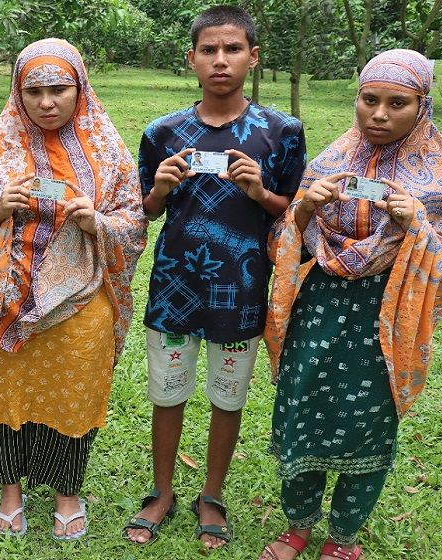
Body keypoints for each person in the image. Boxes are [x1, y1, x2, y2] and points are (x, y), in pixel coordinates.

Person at [259, 49, 442, 560]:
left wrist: (415, 226)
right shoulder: (330, 161)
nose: (378, 115)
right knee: (301, 408)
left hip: (385, 318)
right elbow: (281, 243)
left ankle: (343, 539)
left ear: (421, 107)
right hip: (317, 310)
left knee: (370, 422)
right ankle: (297, 527)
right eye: (368, 100)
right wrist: (306, 207)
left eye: (396, 103)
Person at [124, 5, 307, 548]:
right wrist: (159, 188)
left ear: (253, 57)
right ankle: (161, 492)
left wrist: (260, 193)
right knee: (167, 391)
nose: (220, 60)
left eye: (232, 49)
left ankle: (212, 493)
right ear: (192, 59)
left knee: (228, 396)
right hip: (175, 286)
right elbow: (146, 209)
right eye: (209, 50)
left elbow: (297, 212)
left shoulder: (281, 131)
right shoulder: (163, 133)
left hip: (242, 288)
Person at [0, 38, 146, 540]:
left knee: (72, 397)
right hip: (10, 300)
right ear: (18, 92)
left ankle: (67, 492)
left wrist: (96, 223)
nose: (46, 102)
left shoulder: (107, 148)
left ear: (79, 87)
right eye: (33, 90)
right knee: (3, 393)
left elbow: (134, 220)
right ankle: (9, 492)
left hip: (83, 298)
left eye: (59, 89)